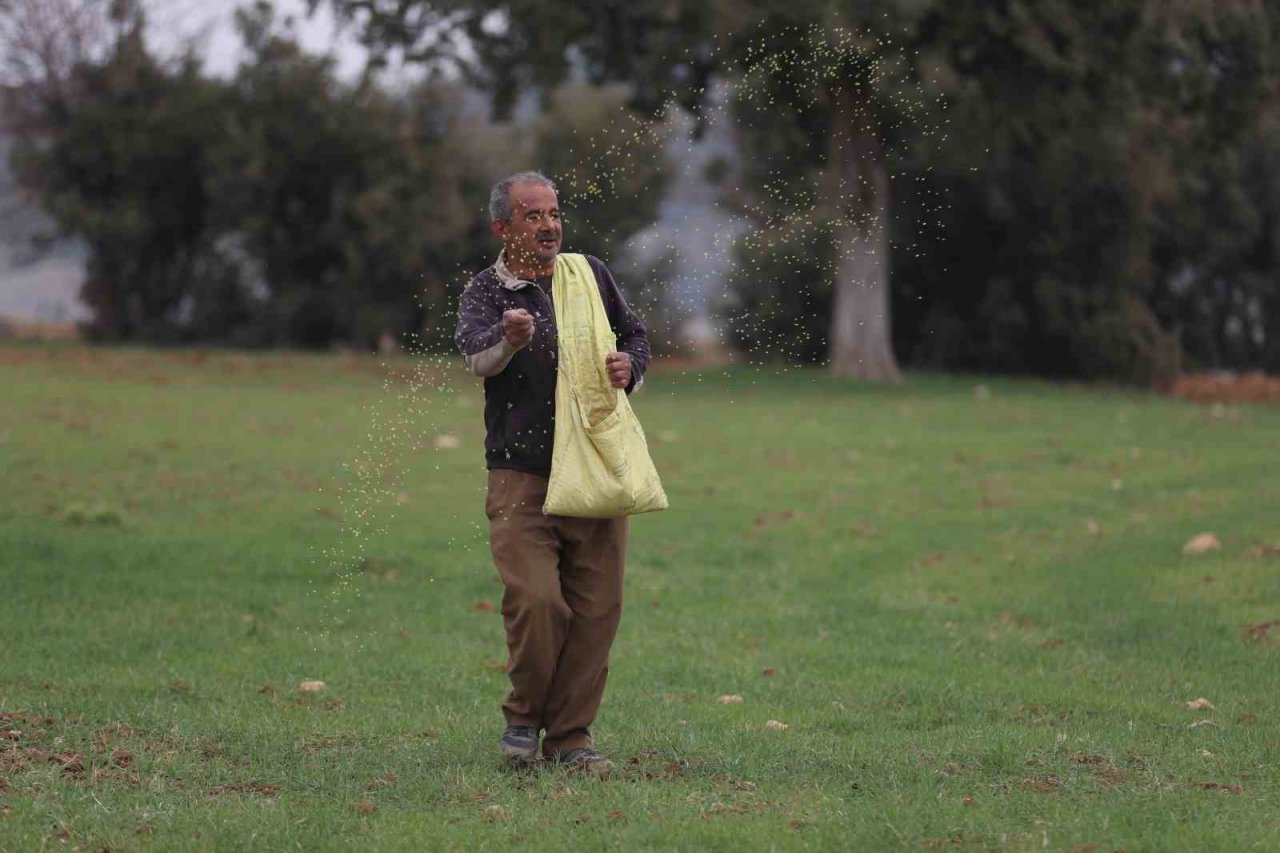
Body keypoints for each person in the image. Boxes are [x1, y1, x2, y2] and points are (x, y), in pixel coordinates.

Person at [454, 171, 651, 775]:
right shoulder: (487, 291)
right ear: (502, 227)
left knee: (597, 610)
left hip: (594, 463)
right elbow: (475, 359)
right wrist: (510, 341)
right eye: (532, 216)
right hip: (521, 475)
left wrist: (629, 368)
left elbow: (635, 337)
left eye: (554, 214)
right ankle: (522, 719)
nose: (549, 226)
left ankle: (571, 740)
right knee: (538, 601)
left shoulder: (588, 274)